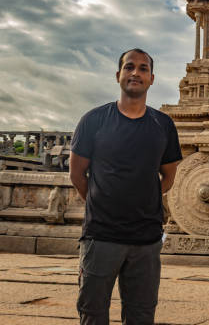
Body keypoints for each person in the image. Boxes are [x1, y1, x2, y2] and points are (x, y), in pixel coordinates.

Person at [70, 48, 182, 324]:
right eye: (129, 67)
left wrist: (143, 199)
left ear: (152, 78)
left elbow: (168, 176)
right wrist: (102, 201)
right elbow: (77, 174)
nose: (135, 73)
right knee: (93, 312)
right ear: (118, 75)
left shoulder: (163, 124)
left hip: (146, 239)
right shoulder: (94, 120)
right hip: (101, 236)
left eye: (143, 69)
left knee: (141, 314)